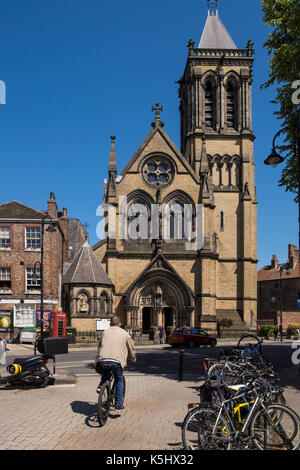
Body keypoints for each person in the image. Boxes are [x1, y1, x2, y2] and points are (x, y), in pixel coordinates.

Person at [96, 316, 136, 410]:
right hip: (116, 360)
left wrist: (98, 358)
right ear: (120, 324)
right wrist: (133, 357)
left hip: (103, 359)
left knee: (106, 374)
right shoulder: (124, 333)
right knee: (119, 379)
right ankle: (118, 404)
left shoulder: (105, 332)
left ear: (110, 324)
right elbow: (130, 346)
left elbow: (99, 345)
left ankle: (101, 386)